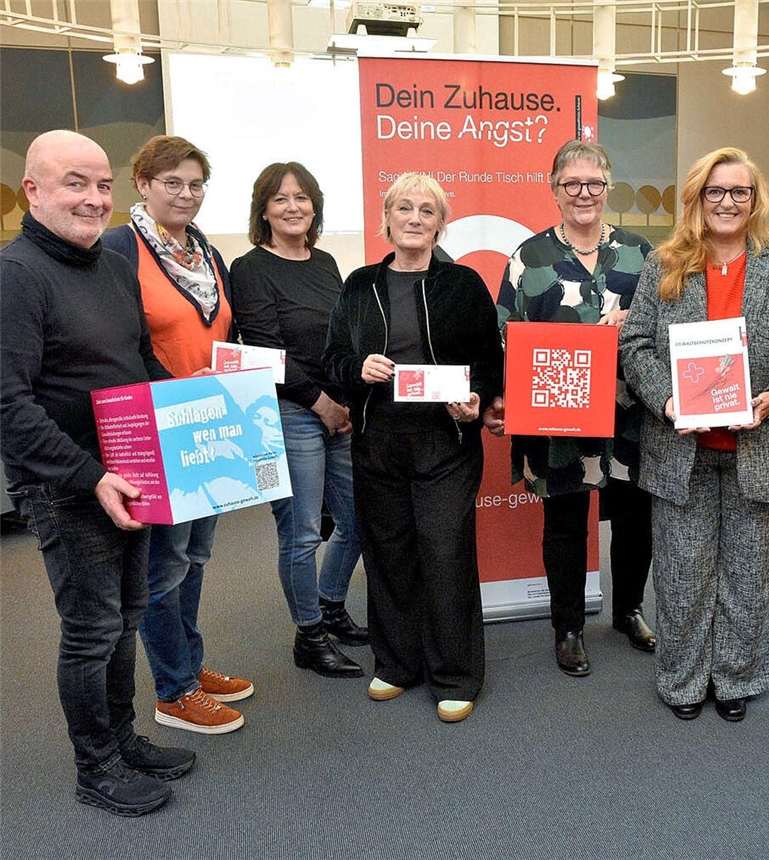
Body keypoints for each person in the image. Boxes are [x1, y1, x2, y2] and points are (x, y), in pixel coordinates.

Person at [1, 130, 194, 815]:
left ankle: (121, 738)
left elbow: (140, 365)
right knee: (91, 628)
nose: (93, 198)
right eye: (74, 183)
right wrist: (90, 476)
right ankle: (97, 767)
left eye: (102, 185)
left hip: (132, 472)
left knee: (127, 615)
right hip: (66, 486)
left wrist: (206, 413)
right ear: (34, 190)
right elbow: (8, 404)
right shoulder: (16, 273)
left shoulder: (112, 267)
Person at [619, 147, 769, 722]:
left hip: (763, 448)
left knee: (751, 574)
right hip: (680, 449)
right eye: (715, 192)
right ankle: (683, 679)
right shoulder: (664, 262)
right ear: (697, 199)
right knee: (683, 574)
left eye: (740, 192)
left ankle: (736, 676)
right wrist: (667, 399)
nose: (727, 203)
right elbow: (633, 344)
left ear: (756, 200)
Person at [324, 172, 503, 722]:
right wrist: (359, 368)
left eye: (427, 211)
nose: (415, 219)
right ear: (387, 218)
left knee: (445, 553)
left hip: (445, 443)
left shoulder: (463, 284)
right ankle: (397, 663)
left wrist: (477, 398)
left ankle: (455, 674)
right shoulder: (359, 286)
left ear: (440, 224)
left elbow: (489, 359)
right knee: (388, 552)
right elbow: (332, 364)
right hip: (378, 443)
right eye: (405, 208)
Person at [486, 139, 656, 678]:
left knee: (635, 519)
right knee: (564, 521)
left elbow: (668, 326)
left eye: (594, 184)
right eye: (571, 184)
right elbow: (503, 335)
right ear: (554, 189)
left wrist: (633, 325)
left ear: (607, 188)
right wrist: (504, 397)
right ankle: (567, 627)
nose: (584, 194)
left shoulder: (640, 253)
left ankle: (628, 610)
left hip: (628, 414)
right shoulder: (529, 257)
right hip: (556, 421)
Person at [103, 136, 249, 735]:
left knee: (196, 554)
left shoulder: (203, 249)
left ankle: (189, 662)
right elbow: (119, 342)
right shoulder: (120, 248)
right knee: (164, 564)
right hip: (157, 427)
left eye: (195, 184)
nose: (185, 194)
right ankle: (174, 690)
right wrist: (180, 391)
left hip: (208, 423)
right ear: (143, 184)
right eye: (172, 183)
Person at [231, 162, 365, 679]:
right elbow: (266, 350)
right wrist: (321, 404)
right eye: (281, 198)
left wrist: (345, 399)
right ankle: (309, 635)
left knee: (356, 522)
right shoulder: (251, 267)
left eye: (302, 197)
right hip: (290, 413)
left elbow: (341, 339)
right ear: (263, 208)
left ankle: (330, 606)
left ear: (315, 205)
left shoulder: (327, 262)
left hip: (339, 411)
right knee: (303, 531)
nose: (293, 207)